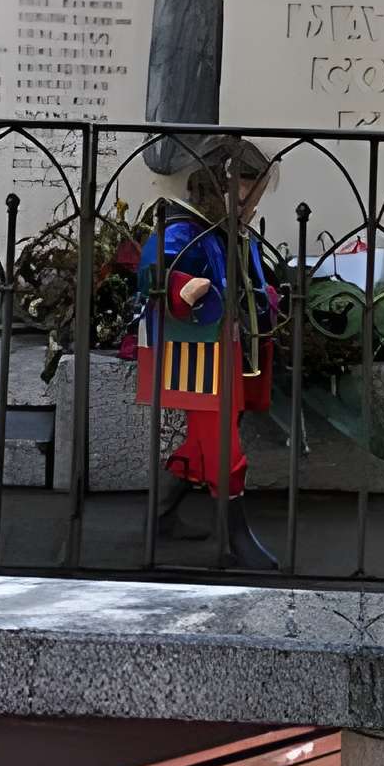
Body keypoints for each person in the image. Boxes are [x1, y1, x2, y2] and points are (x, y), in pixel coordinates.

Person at [135, 134, 281, 572]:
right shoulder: (184, 228)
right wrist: (184, 289)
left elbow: (248, 281)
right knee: (222, 443)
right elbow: (154, 274)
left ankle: (159, 515)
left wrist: (268, 296)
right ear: (217, 186)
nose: (252, 202)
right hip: (193, 355)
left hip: (227, 352)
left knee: (210, 439)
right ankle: (235, 538)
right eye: (246, 191)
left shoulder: (229, 231)